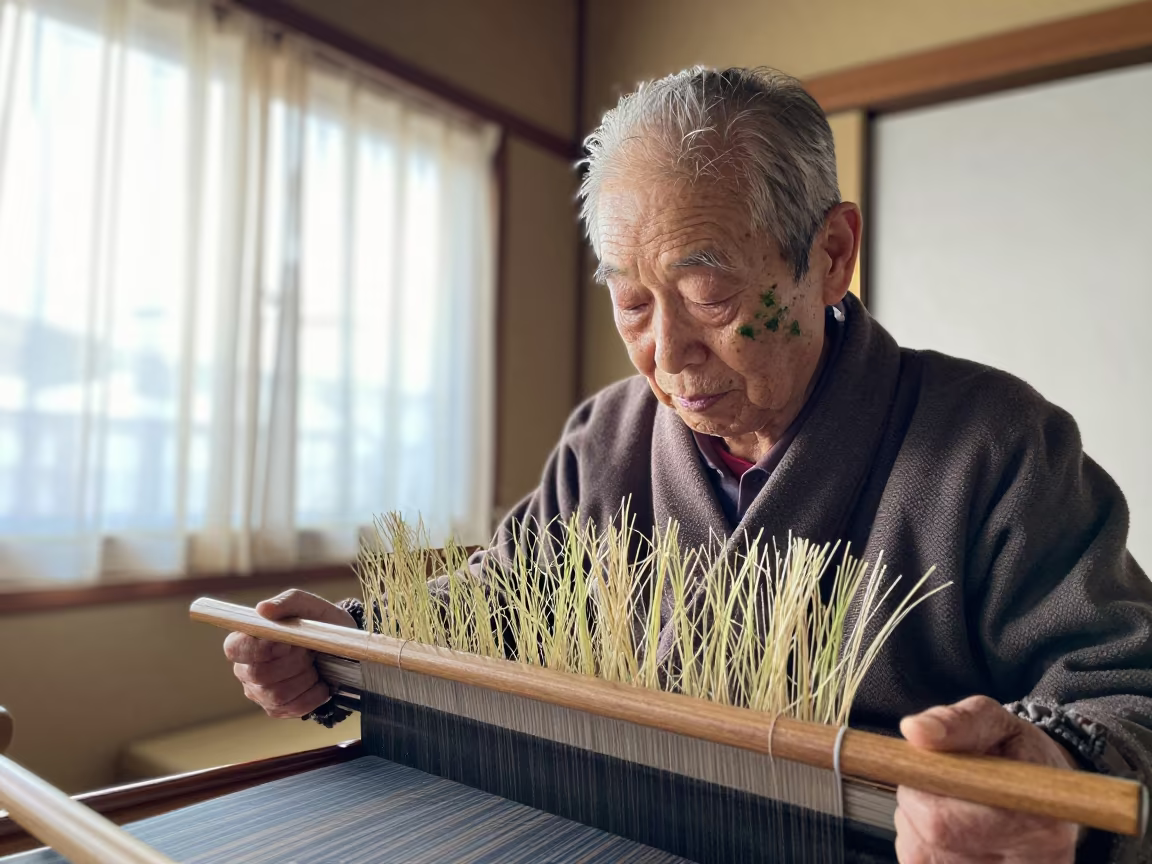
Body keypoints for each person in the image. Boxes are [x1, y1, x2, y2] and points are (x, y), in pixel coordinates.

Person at [225, 67, 1152, 863]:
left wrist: (1051, 772)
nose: (667, 354)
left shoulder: (995, 445)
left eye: (708, 296)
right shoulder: (607, 436)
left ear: (831, 256)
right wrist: (350, 643)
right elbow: (501, 603)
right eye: (632, 304)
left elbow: (1128, 689)